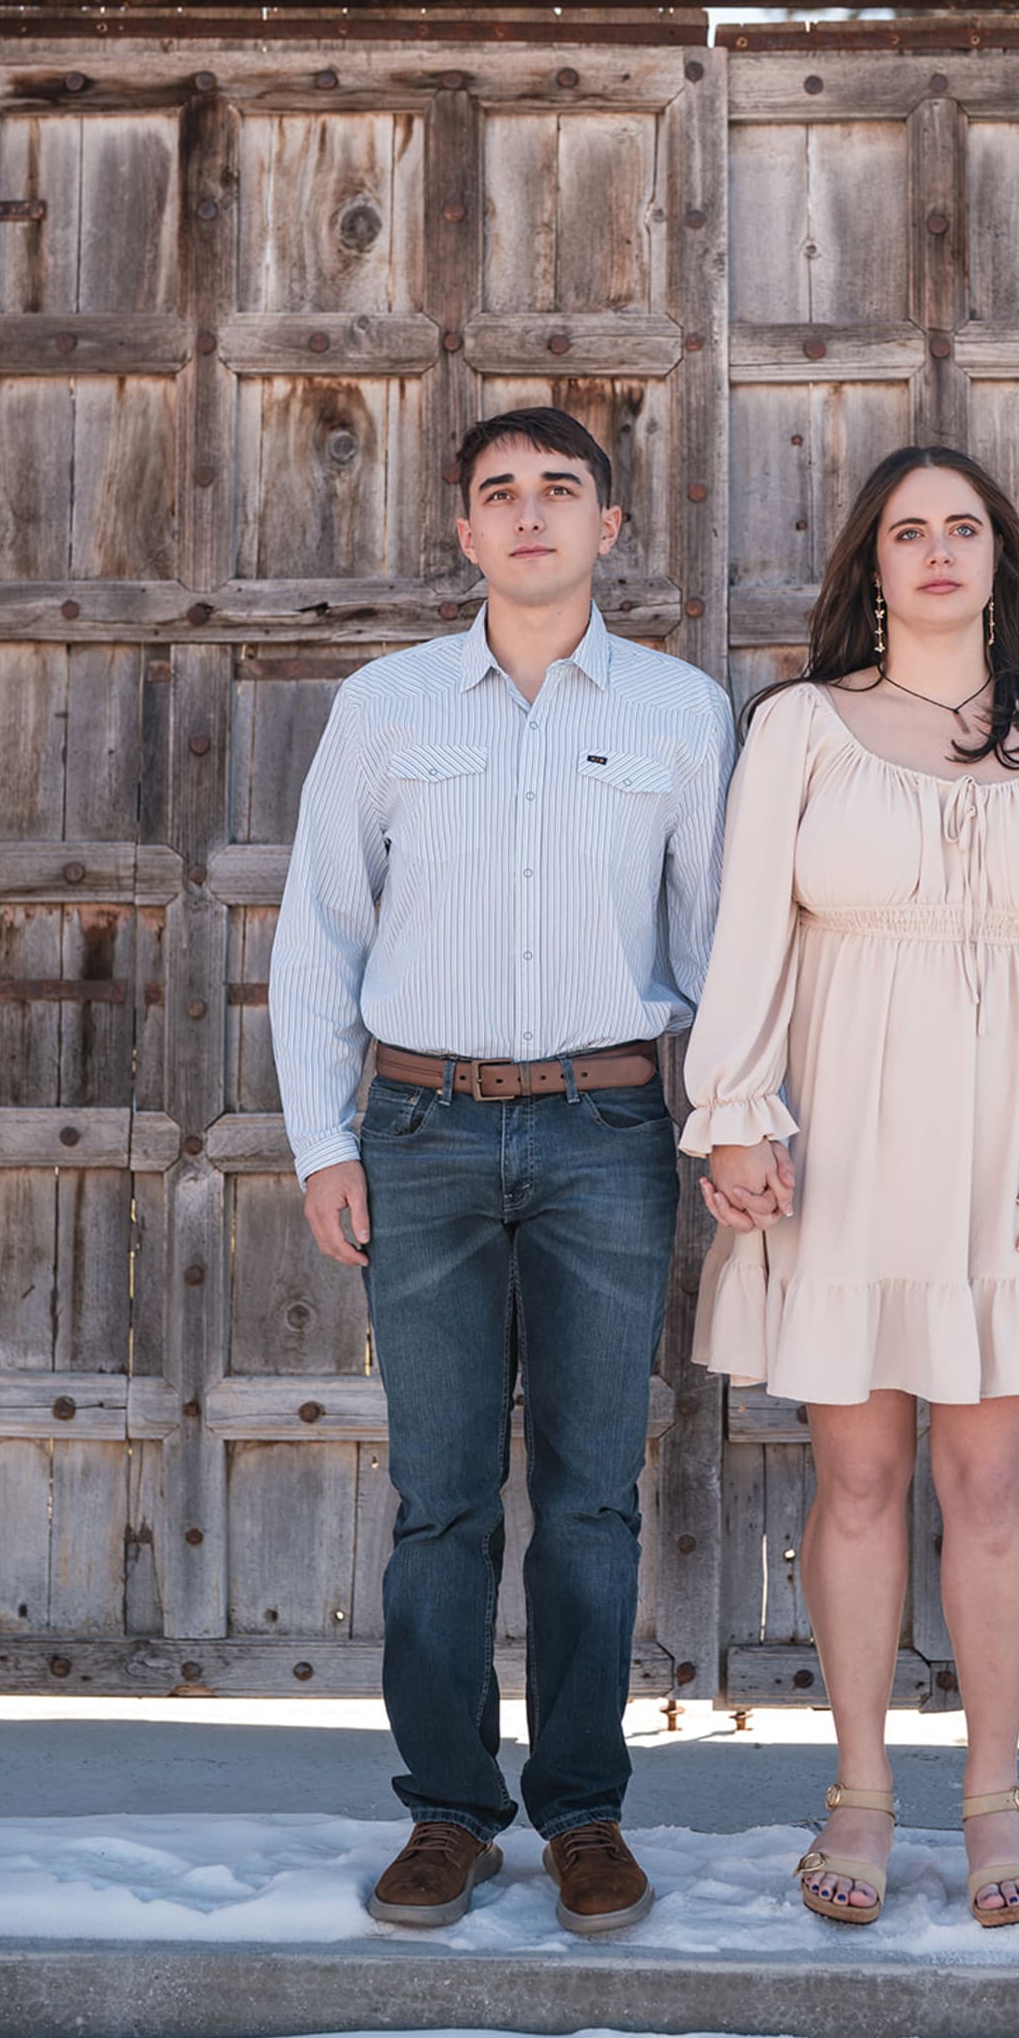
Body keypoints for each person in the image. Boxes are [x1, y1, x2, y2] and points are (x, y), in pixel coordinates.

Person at [269, 406, 736, 1934]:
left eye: (561, 490)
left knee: (595, 1497)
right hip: (424, 1136)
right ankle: (451, 1812)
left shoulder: (680, 713)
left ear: (612, 524)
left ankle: (586, 1810)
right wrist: (325, 1141)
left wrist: (733, 1115)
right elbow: (318, 934)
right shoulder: (388, 707)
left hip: (610, 1135)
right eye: (499, 493)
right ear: (463, 532)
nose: (530, 513)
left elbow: (719, 949)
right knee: (443, 1499)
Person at [680, 445, 1019, 1930]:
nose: (938, 550)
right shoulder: (803, 729)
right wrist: (731, 1110)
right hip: (845, 1146)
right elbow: (748, 921)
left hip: (1016, 1158)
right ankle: (862, 1791)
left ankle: (998, 1792)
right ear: (871, 565)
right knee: (863, 1475)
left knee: (989, 1479)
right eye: (909, 531)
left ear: (998, 558)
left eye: (964, 528)